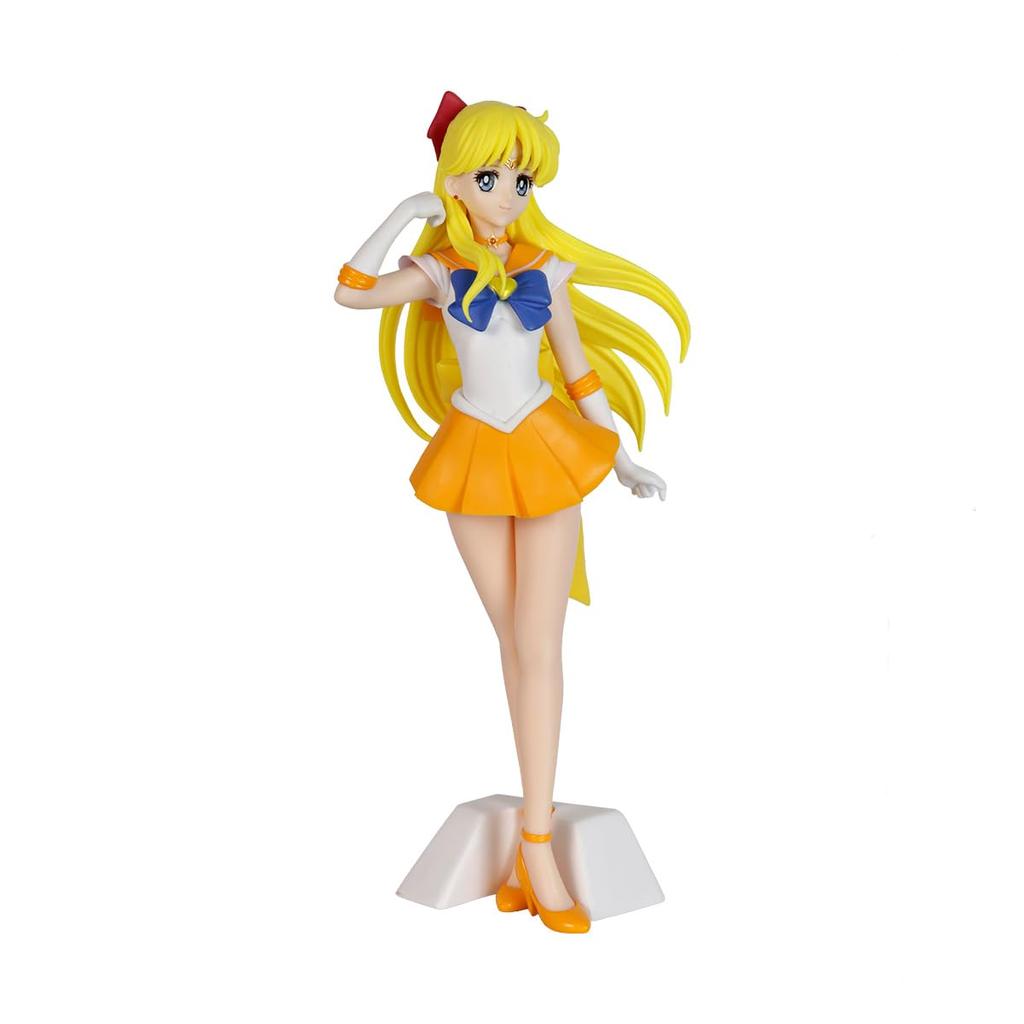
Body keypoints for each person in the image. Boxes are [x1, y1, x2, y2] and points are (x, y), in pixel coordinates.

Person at [334, 92, 690, 933]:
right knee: (515, 643)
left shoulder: (544, 270)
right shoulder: (438, 274)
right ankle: (532, 843)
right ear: (457, 181)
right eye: (491, 178)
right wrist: (406, 210)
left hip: (546, 447)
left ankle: (536, 841)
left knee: (539, 645)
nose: (509, 195)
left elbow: (580, 372)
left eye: (522, 181)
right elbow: (350, 292)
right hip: (470, 457)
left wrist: (620, 456)